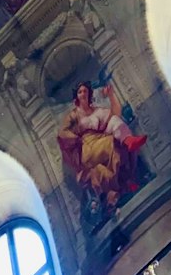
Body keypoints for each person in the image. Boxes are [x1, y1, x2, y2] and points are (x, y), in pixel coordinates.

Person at [57, 81, 146, 213]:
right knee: (111, 143)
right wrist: (75, 138)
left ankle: (128, 142)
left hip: (101, 138)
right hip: (87, 147)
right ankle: (124, 182)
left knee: (116, 130)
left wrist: (111, 96)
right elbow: (62, 133)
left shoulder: (96, 111)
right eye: (80, 92)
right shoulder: (74, 115)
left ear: (89, 94)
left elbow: (115, 113)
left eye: (85, 91)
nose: (83, 94)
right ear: (76, 96)